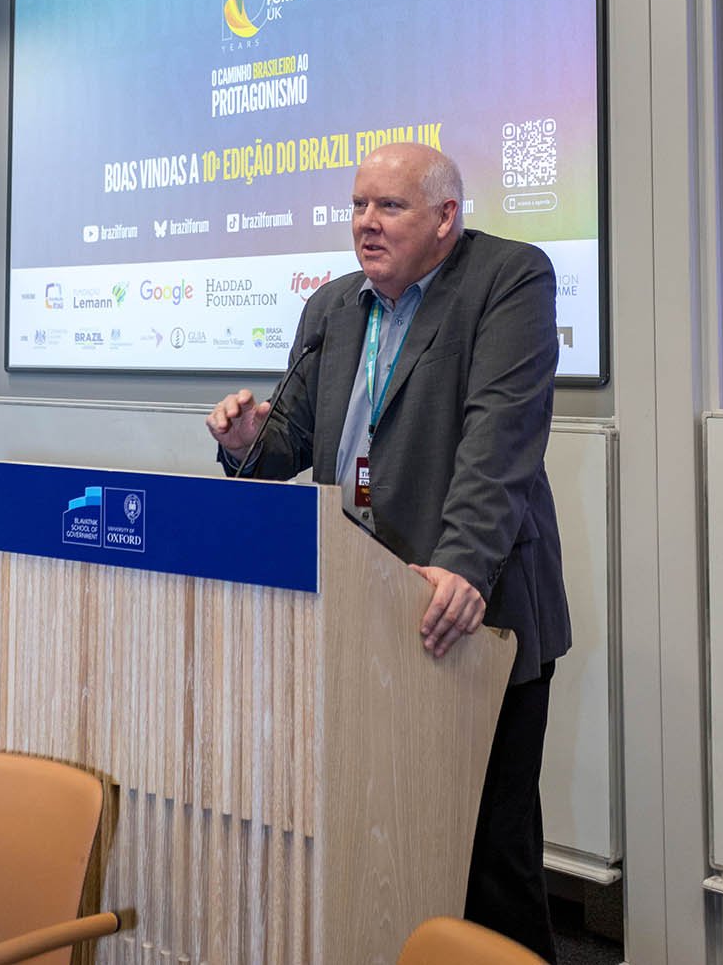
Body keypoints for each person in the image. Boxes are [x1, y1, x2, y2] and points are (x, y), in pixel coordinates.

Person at [206, 143, 570, 962]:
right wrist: (247, 440)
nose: (366, 223)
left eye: (390, 206)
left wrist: (463, 566)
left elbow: (500, 439)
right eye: (358, 205)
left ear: (446, 217)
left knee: (488, 859)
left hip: (467, 611)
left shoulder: (508, 280)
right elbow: (294, 444)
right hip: (360, 614)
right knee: (383, 844)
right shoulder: (334, 307)